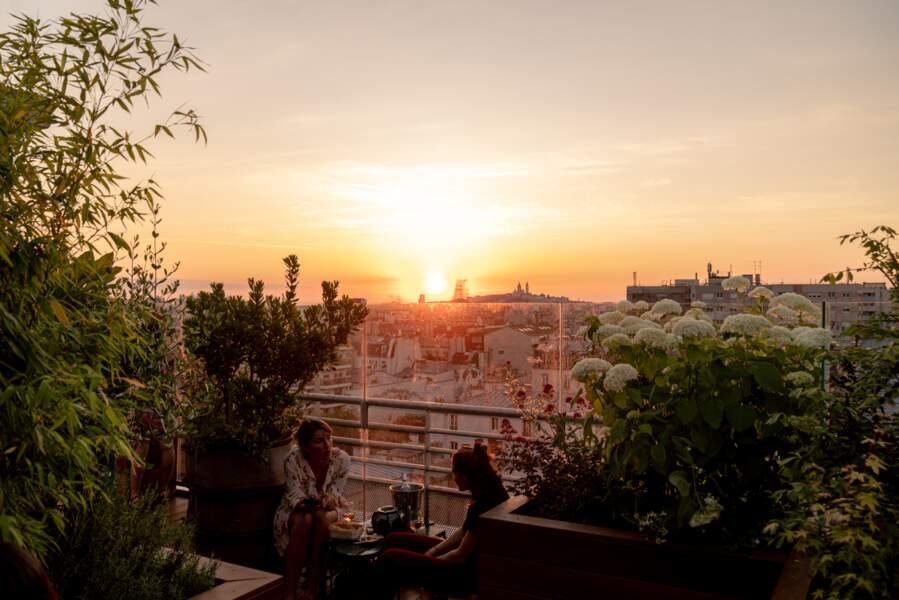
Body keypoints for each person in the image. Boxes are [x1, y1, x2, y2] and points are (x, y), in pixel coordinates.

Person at [372, 442, 509, 599]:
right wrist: (434, 550)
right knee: (394, 539)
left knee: (390, 558)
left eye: (455, 473)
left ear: (466, 476)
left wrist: (431, 560)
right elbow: (466, 530)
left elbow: (460, 555)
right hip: (466, 564)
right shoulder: (490, 491)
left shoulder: (484, 503)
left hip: (463, 575)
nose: (454, 478)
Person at [273, 418, 350, 600]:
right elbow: (295, 497)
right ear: (306, 447)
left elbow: (334, 496)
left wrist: (325, 502)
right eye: (319, 441)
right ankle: (290, 592)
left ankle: (313, 587)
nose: (327, 445)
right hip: (296, 510)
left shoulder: (341, 460)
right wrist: (314, 505)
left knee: (320, 519)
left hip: (328, 510)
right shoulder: (292, 460)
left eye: (329, 439)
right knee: (305, 520)